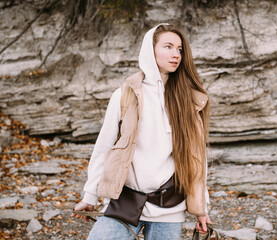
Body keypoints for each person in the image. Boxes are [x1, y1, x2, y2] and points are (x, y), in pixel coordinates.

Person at [72, 23, 212, 240]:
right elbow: (104, 147)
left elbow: (197, 160)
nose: (176, 54)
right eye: (168, 46)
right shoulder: (125, 95)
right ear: (150, 50)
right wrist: (90, 195)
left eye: (180, 49)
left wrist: (202, 209)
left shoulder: (189, 101)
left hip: (169, 207)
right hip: (124, 202)